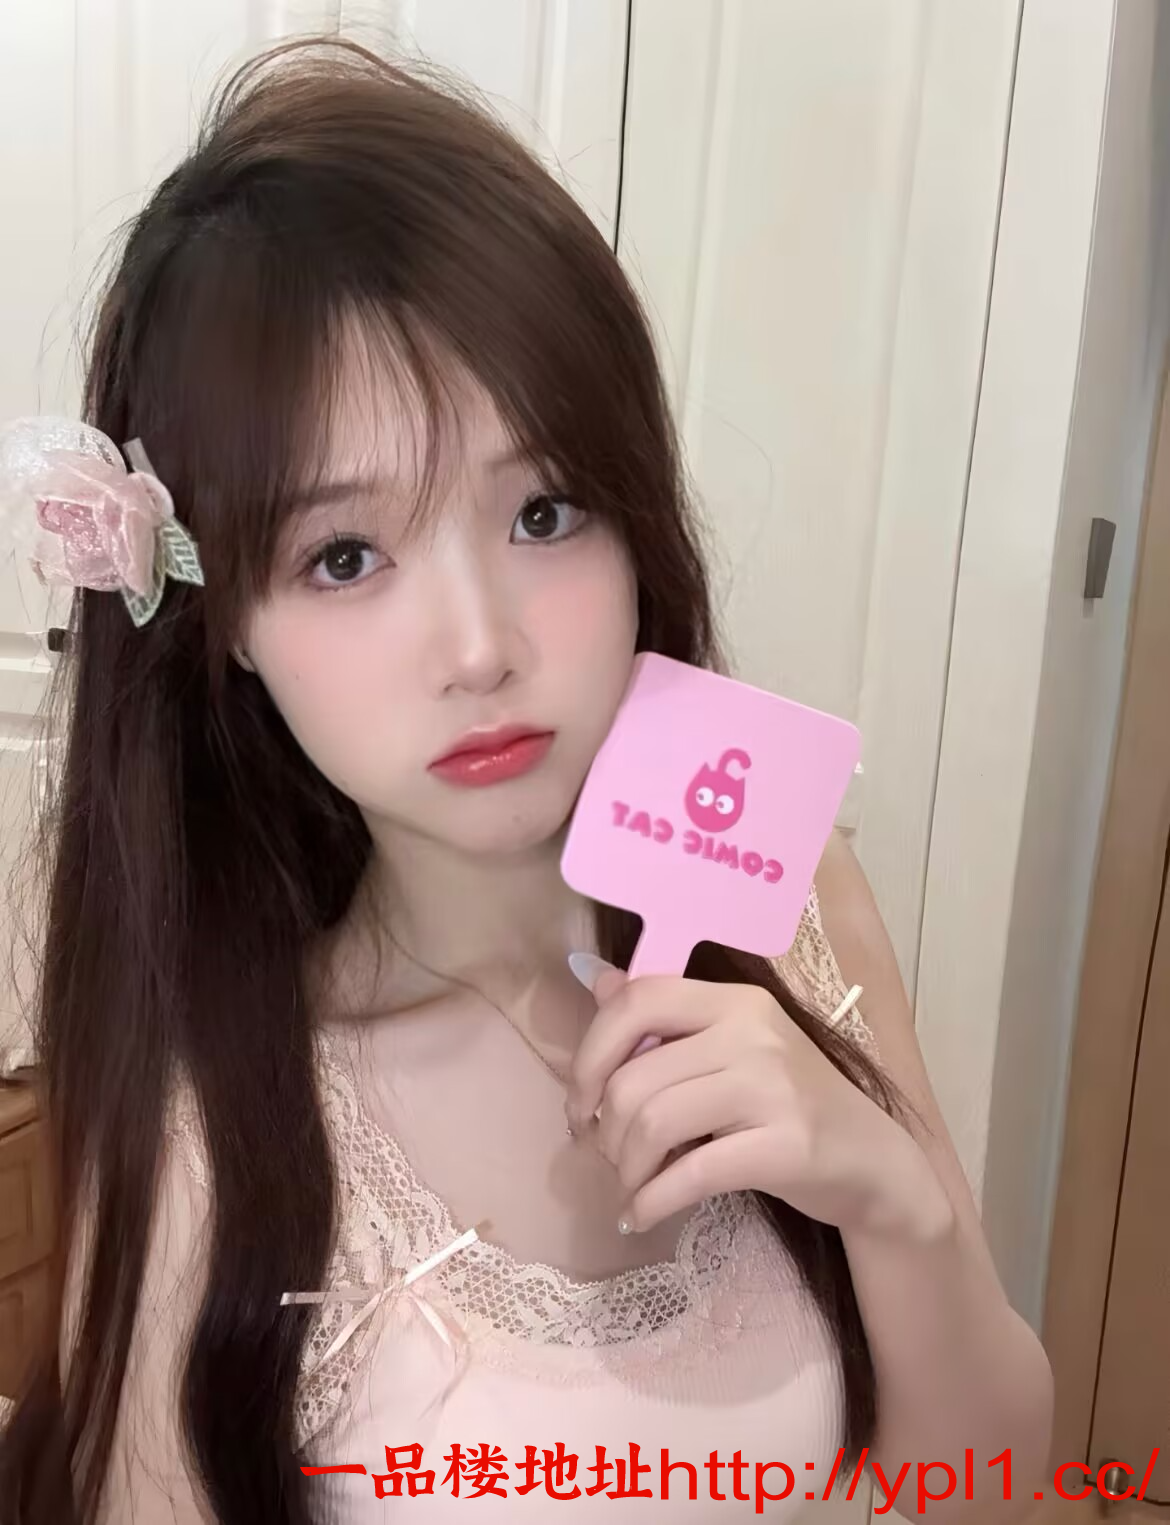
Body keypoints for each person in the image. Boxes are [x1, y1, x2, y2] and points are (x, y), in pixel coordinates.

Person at [0, 36, 1052, 1525]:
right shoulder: (217, 1126)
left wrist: (895, 1208)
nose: (481, 647)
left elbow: (992, 1493)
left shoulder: (800, 898)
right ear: (223, 617)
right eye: (344, 556)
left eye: (544, 512)